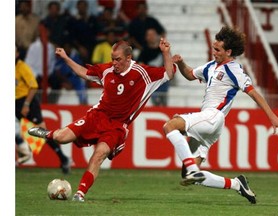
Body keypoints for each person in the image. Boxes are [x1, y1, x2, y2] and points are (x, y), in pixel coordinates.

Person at [28, 38, 175, 202]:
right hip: (97, 116)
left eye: (118, 59)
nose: (114, 63)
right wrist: (66, 58)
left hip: (117, 126)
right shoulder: (107, 70)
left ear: (128, 58)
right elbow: (84, 73)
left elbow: (168, 73)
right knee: (61, 138)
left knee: (99, 155)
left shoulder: (143, 73)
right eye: (112, 59)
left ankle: (80, 194)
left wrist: (166, 52)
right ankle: (48, 134)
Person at [163, 26, 278, 204]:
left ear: (228, 51)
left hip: (213, 117)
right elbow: (191, 75)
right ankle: (237, 184)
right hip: (209, 122)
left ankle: (192, 169)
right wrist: (181, 63)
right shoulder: (211, 66)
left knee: (169, 126)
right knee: (190, 174)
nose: (213, 52)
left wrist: (272, 116)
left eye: (217, 50)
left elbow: (253, 92)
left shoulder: (234, 69)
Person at [15, 45, 71, 174]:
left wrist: (26, 105)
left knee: (42, 133)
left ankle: (63, 159)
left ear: (17, 54)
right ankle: (23, 154)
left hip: (27, 102)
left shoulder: (22, 67)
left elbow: (34, 86)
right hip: (14, 103)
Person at [138, 28, 170, 106]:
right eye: (149, 35)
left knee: (163, 100)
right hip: (151, 80)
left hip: (163, 79)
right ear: (146, 37)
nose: (151, 37)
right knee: (155, 101)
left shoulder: (162, 49)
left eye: (153, 34)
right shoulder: (144, 51)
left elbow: (169, 61)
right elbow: (140, 64)